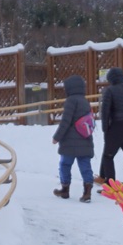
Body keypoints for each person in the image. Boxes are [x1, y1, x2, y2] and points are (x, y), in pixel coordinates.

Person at [51, 74, 95, 202]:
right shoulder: (85, 101)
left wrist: (57, 137)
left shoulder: (70, 101)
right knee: (85, 165)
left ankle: (65, 190)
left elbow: (66, 121)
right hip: (85, 139)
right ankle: (87, 193)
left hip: (69, 141)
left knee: (65, 164)